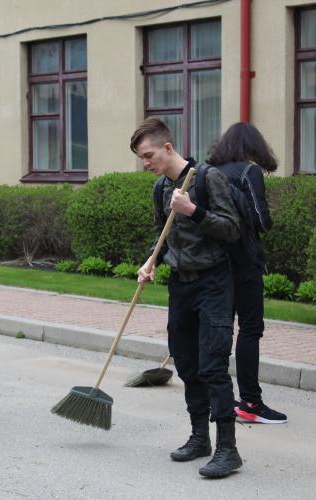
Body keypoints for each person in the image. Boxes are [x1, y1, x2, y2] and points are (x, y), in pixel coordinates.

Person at [131, 118, 243, 478]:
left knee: (212, 364)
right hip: (180, 286)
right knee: (187, 363)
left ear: (167, 148)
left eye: (148, 155)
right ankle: (200, 437)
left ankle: (228, 448)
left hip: (213, 283)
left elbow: (232, 229)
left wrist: (194, 211)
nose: (146, 164)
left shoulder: (208, 178)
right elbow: (162, 239)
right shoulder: (161, 189)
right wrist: (151, 261)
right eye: (141, 159)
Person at [206, 122, 286, 424]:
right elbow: (262, 221)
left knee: (220, 329)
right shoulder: (247, 172)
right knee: (250, 329)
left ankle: (220, 401)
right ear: (253, 146)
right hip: (244, 263)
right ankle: (251, 403)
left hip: (215, 265)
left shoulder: (210, 172)